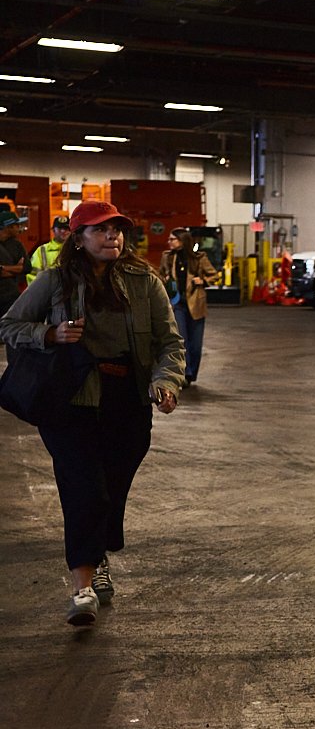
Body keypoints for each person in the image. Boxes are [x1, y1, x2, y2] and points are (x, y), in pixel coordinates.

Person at [1, 201, 182, 628]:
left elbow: (170, 343)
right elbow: (8, 325)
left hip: (127, 401)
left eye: (117, 230)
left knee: (111, 489)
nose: (112, 237)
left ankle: (98, 552)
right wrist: (50, 332)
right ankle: (82, 587)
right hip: (70, 401)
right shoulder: (55, 280)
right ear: (78, 239)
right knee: (85, 489)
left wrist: (166, 382)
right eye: (100, 231)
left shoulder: (144, 281)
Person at [157, 228, 218, 389]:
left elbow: (214, 275)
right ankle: (185, 373)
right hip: (177, 304)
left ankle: (192, 374)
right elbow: (160, 275)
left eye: (172, 239)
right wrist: (165, 278)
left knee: (195, 344)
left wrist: (202, 281)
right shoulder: (168, 257)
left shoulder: (199, 258)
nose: (169, 242)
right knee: (181, 339)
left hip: (196, 304)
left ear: (182, 240)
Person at [0, 211, 29, 321]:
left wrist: (3, 268)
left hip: (12, 297)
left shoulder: (17, 244)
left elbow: (26, 267)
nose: (20, 228)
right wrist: (16, 269)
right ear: (8, 227)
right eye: (17, 225)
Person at [26, 214, 68, 284]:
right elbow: (32, 275)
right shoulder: (42, 250)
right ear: (53, 230)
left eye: (67, 228)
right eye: (60, 228)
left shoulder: (77, 249)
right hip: (49, 292)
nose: (63, 231)